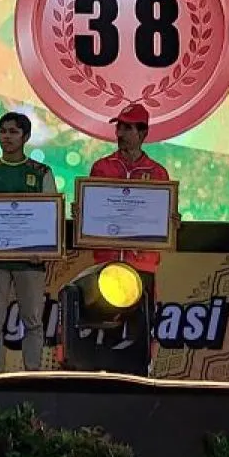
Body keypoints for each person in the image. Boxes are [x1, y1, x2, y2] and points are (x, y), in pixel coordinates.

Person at [83, 103, 173, 370]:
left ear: (143, 133)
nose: (120, 133)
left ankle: (140, 378)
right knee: (104, 326)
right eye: (119, 127)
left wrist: (171, 221)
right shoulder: (102, 167)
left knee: (140, 328)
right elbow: (93, 212)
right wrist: (84, 212)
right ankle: (104, 380)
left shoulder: (157, 173)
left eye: (127, 128)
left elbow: (164, 217)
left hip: (142, 263)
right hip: (107, 263)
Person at [0, 112, 57, 374]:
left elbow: (49, 215)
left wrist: (43, 250)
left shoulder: (41, 172)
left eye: (13, 132)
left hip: (30, 261)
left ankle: (32, 375)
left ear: (26, 137)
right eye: (2, 131)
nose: (6, 137)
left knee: (33, 322)